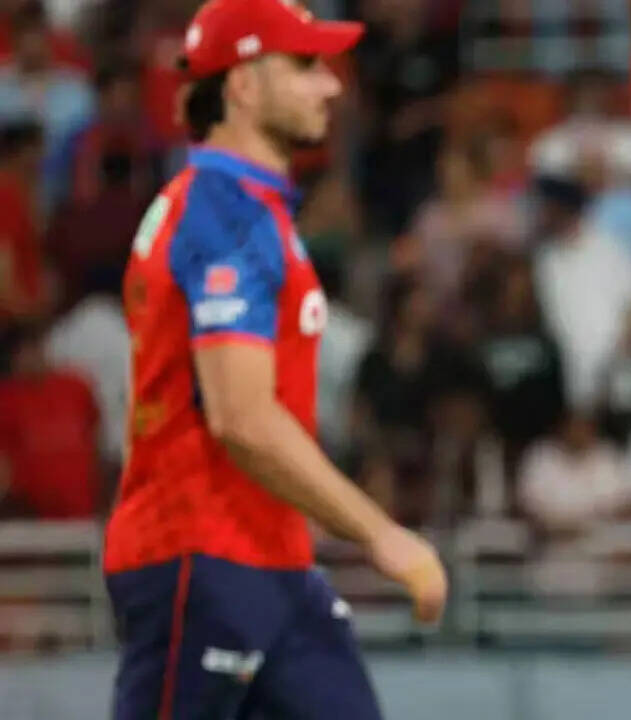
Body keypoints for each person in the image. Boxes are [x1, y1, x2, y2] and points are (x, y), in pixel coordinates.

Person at [103, 2, 446, 719]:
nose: (331, 85)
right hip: (201, 555)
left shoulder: (236, 207)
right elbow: (243, 419)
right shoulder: (224, 213)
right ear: (243, 85)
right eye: (305, 65)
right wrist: (381, 535)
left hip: (268, 560)